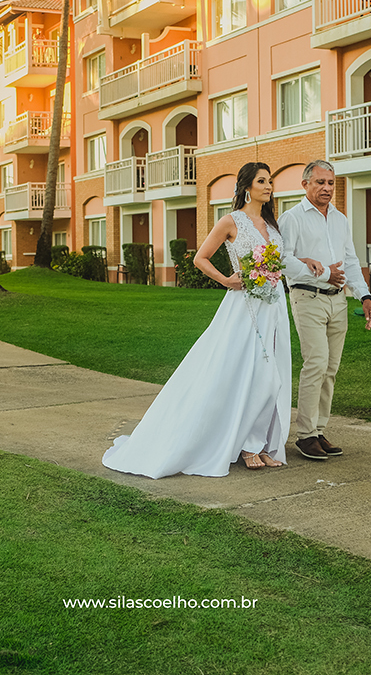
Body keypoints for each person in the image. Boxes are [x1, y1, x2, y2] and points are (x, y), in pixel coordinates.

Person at [102, 162, 292, 478]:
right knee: (254, 374)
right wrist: (227, 280)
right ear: (247, 187)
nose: (269, 186)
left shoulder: (272, 226)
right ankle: (247, 444)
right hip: (244, 307)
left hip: (273, 306)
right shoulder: (232, 221)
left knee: (272, 376)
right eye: (262, 181)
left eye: (270, 181)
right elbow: (199, 258)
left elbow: (281, 261)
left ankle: (260, 442)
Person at [279, 160, 371, 461]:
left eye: (330, 183)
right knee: (316, 363)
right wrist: (322, 275)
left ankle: (318, 430)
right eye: (320, 182)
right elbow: (283, 260)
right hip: (307, 297)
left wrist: (365, 295)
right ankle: (305, 435)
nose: (326, 188)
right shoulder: (291, 218)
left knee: (330, 369)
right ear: (305, 184)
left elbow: (349, 261)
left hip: (339, 301)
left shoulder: (339, 219)